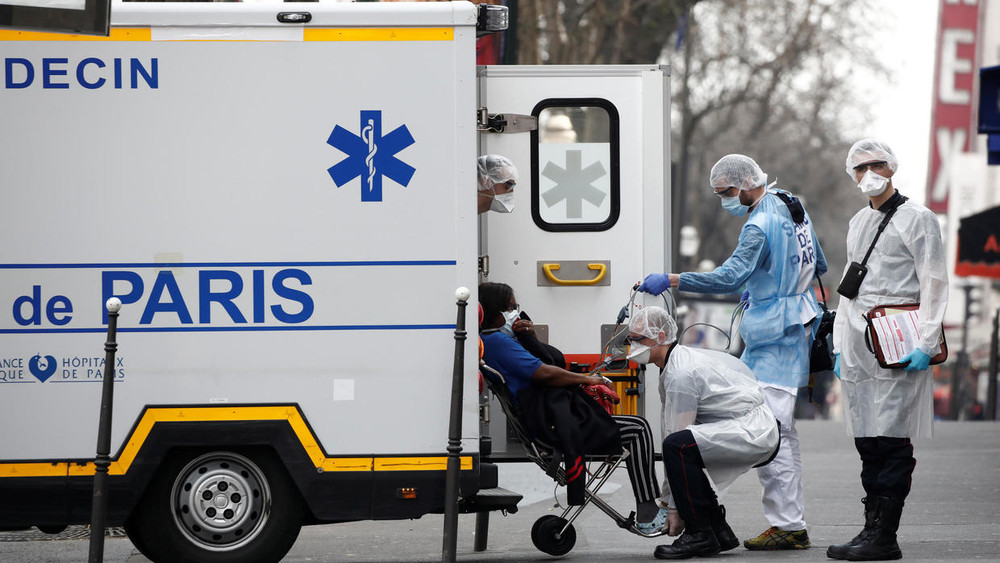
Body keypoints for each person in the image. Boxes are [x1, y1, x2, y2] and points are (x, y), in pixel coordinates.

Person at [638, 154, 826, 551]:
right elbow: (818, 263)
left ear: (744, 184)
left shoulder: (758, 225)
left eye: (725, 192)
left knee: (769, 433)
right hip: (797, 324)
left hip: (776, 334)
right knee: (782, 434)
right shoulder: (790, 203)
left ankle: (787, 525)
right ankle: (785, 523)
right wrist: (774, 283)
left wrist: (673, 279)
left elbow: (729, 276)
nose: (724, 200)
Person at [827, 139, 948, 561]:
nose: (868, 173)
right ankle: (870, 528)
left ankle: (885, 535)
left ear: (892, 167)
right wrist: (840, 344)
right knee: (867, 440)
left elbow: (933, 282)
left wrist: (927, 342)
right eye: (860, 168)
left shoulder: (919, 219)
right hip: (859, 342)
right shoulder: (859, 221)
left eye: (876, 164)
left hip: (899, 340)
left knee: (892, 439)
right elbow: (849, 289)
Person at [478, 282, 663, 531]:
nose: (515, 313)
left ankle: (648, 507)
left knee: (634, 426)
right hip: (549, 424)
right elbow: (546, 372)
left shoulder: (493, 340)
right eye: (510, 307)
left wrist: (530, 338)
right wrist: (588, 379)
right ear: (494, 310)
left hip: (543, 419)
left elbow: (552, 360)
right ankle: (648, 511)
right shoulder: (498, 342)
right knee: (638, 428)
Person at [626, 306, 780, 560]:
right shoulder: (675, 362)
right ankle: (718, 529)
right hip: (747, 424)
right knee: (683, 447)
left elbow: (674, 435)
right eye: (630, 339)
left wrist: (673, 507)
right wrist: (668, 499)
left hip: (752, 429)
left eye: (638, 340)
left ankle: (699, 533)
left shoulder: (680, 374)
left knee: (678, 447)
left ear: (661, 337)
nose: (633, 346)